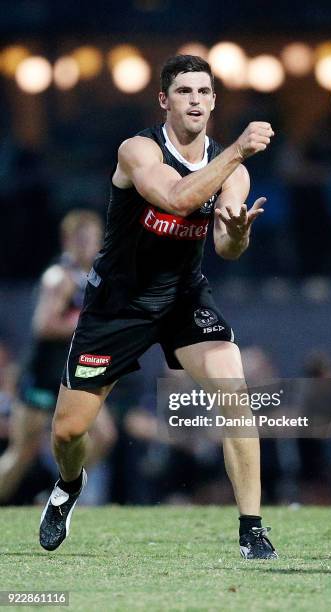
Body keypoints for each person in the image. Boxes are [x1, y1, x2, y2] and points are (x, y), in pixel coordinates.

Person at [39, 55, 277, 559]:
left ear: (214, 101)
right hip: (118, 303)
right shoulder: (139, 150)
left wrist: (236, 233)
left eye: (204, 92)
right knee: (68, 431)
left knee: (236, 395)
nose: (196, 100)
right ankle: (68, 485)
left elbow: (229, 245)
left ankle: (252, 529)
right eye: (185, 91)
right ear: (164, 101)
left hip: (181, 297)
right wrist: (236, 150)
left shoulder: (231, 168)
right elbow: (176, 199)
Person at [0, 210, 116, 504]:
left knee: (104, 435)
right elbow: (44, 324)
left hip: (73, 374)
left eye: (93, 240)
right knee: (22, 452)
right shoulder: (58, 277)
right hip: (43, 374)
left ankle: (60, 492)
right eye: (82, 240)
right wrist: (86, 324)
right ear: (68, 241)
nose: (89, 246)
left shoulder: (92, 278)